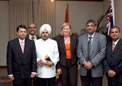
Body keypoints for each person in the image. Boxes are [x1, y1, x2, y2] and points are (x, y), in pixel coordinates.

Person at [77, 19, 106, 86]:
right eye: (88, 26)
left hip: (97, 69)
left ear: (95, 27)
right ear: (86, 27)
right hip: (84, 69)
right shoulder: (81, 38)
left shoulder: (102, 37)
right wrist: (84, 62)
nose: (89, 27)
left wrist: (92, 63)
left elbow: (102, 52)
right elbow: (79, 51)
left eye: (91, 26)